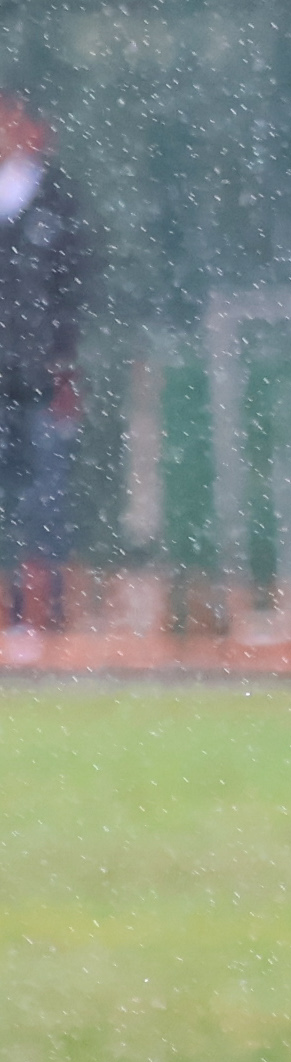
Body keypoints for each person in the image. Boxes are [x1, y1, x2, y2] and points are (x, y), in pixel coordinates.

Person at [0, 96, 97, 654]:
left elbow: (73, 293)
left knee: (46, 499)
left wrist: (64, 368)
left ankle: (43, 618)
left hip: (41, 377)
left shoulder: (60, 201)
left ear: (39, 129)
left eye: (16, 121)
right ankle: (12, 615)